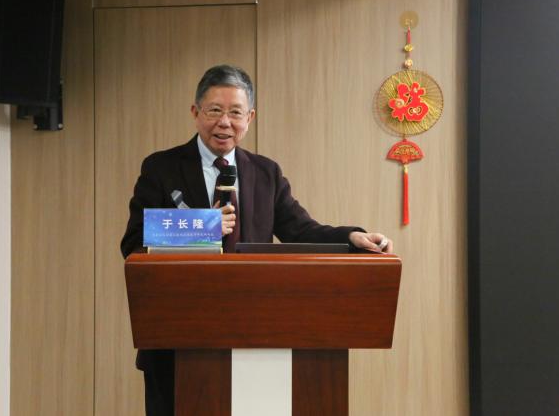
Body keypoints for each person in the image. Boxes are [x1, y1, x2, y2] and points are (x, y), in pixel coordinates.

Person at [120, 64, 393, 416]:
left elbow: (302, 231)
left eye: (235, 113)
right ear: (195, 112)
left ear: (250, 118)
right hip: (178, 338)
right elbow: (134, 242)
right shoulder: (161, 168)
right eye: (214, 110)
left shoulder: (266, 172)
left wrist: (352, 237)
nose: (224, 122)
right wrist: (203, 228)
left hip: (255, 335)